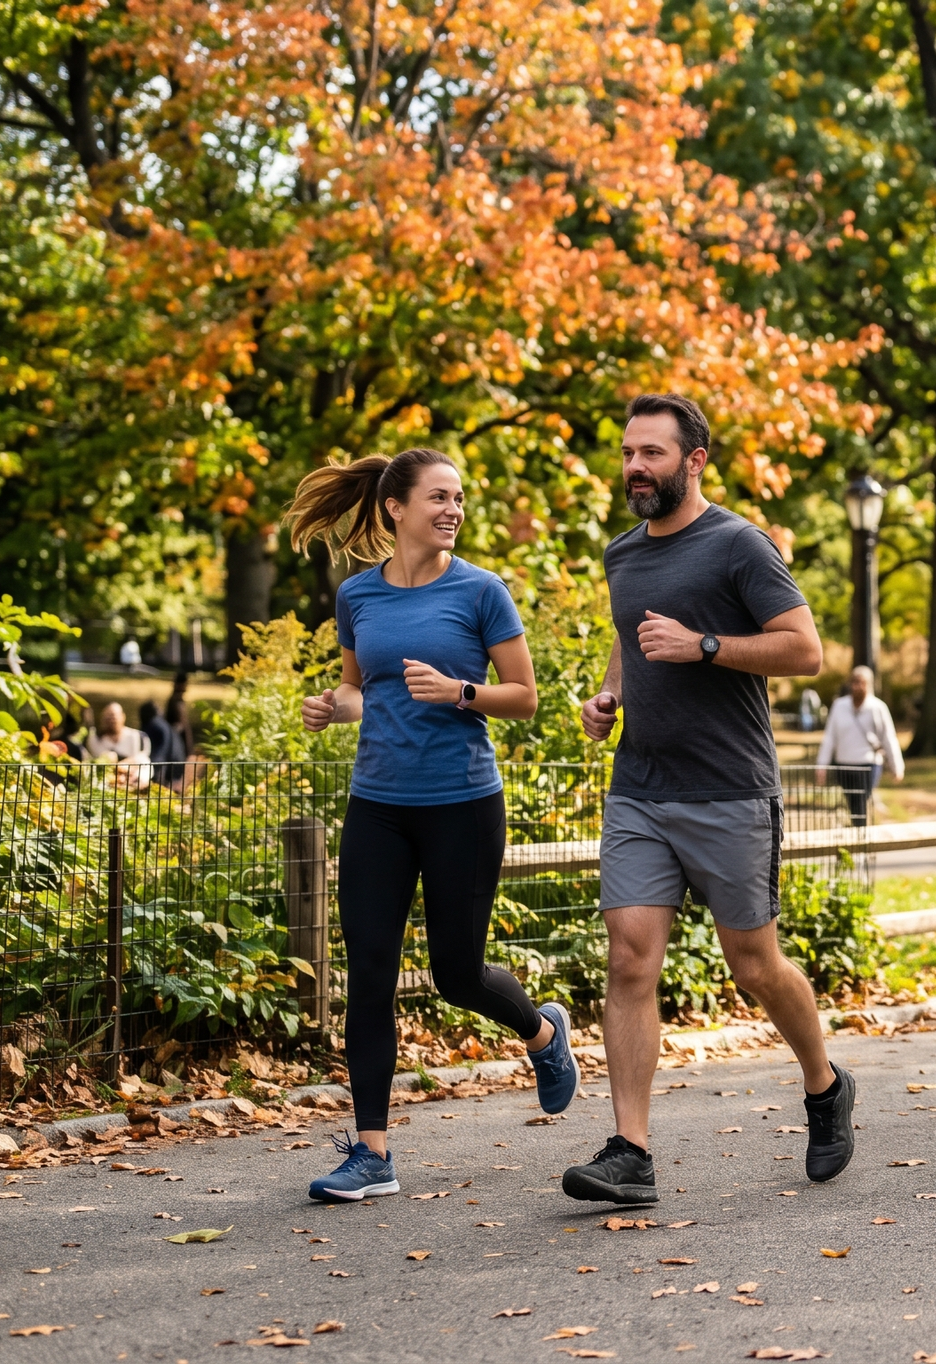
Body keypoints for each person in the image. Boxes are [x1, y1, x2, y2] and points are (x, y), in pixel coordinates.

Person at [566, 394, 852, 1205]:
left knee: (754, 965)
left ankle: (826, 1086)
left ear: (694, 460)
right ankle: (631, 1152)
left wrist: (706, 647)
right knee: (629, 958)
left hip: (729, 790)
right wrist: (609, 697)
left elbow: (805, 649)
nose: (633, 467)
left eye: (651, 453)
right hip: (641, 791)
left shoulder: (739, 545)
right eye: (628, 452)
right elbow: (631, 635)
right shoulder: (623, 554)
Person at [284, 446, 579, 1203]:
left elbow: (525, 696)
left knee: (455, 972)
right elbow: (361, 691)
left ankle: (542, 1033)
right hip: (377, 807)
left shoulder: (482, 591)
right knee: (371, 975)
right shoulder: (359, 596)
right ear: (395, 508)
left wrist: (461, 691)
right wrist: (331, 707)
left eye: (458, 498)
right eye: (439, 497)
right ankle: (373, 1152)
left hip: (462, 804)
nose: (452, 509)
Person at [816, 665, 904, 824]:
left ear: (869, 684)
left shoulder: (877, 707)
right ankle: (860, 833)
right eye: (854, 682)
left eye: (862, 683)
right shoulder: (839, 706)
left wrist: (896, 766)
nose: (857, 687)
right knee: (852, 802)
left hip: (868, 764)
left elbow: (888, 737)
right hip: (844, 764)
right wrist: (822, 764)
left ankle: (861, 834)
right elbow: (830, 737)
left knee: (860, 801)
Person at [83, 702, 151, 787]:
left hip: (131, 780)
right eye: (107, 717)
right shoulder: (94, 739)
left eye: (113, 716)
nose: (111, 720)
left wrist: (123, 764)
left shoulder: (137, 737)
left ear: (123, 717)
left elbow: (143, 759)